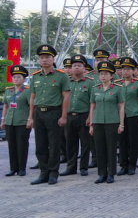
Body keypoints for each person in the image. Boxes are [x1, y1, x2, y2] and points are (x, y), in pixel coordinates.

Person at [27, 44, 71, 185]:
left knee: (54, 144)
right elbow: (32, 97)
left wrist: (63, 116)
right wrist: (30, 117)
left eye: (47, 57)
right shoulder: (35, 77)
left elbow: (66, 97)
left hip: (54, 112)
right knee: (40, 145)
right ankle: (43, 173)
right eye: (42, 57)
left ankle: (53, 173)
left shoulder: (61, 75)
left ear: (53, 59)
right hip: (39, 113)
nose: (44, 60)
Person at [88, 61, 125, 184]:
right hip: (98, 121)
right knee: (100, 148)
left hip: (112, 121)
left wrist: (121, 124)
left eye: (106, 74)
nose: (103, 76)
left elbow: (121, 107)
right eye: (101, 74)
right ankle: (101, 173)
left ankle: (111, 173)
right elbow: (92, 107)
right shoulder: (95, 89)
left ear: (111, 76)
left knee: (111, 148)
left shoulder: (118, 89)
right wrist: (91, 124)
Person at [62, 54, 93, 177]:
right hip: (69, 116)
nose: (76, 68)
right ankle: (71, 167)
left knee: (85, 143)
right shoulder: (66, 82)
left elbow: (92, 102)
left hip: (83, 115)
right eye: (74, 66)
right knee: (70, 142)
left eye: (79, 66)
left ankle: (84, 167)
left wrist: (90, 117)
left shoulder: (90, 83)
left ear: (84, 68)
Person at [117, 57, 138, 176]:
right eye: (124, 69)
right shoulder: (117, 84)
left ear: (133, 71)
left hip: (133, 114)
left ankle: (132, 165)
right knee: (122, 141)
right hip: (120, 116)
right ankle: (123, 165)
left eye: (129, 69)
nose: (126, 71)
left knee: (133, 141)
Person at [2, 65, 32, 177]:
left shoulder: (27, 91)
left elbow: (31, 106)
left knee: (22, 145)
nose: (16, 79)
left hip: (22, 122)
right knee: (12, 145)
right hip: (10, 121)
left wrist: (30, 119)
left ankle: (22, 168)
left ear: (24, 79)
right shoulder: (9, 91)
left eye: (19, 77)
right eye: (14, 77)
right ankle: (13, 168)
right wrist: (3, 120)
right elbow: (5, 105)